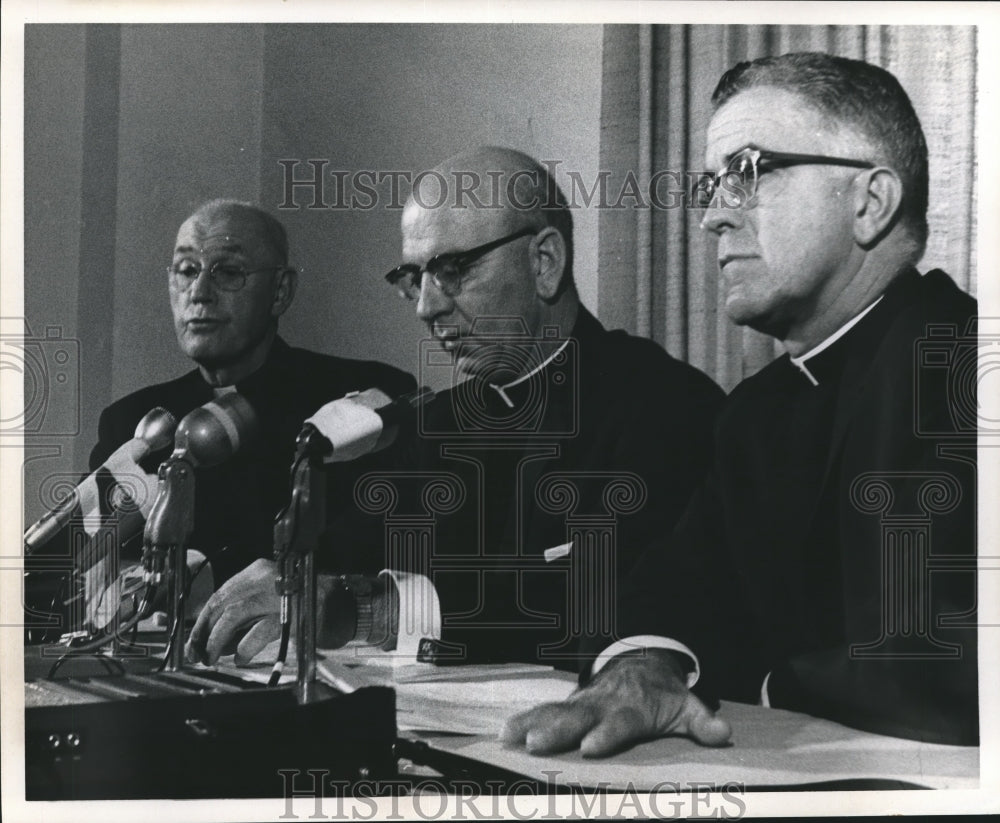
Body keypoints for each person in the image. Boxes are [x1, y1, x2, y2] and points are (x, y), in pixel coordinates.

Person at [501, 53, 978, 752]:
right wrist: (644, 663)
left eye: (748, 173)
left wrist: (762, 680)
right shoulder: (757, 412)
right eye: (712, 184)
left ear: (870, 203)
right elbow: (677, 581)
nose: (712, 218)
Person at [186, 149, 725, 668]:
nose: (426, 307)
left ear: (545, 262)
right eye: (413, 278)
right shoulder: (436, 424)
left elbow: (607, 612)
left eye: (452, 270)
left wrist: (378, 610)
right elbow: (338, 562)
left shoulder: (666, 407)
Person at [85, 200, 415, 588]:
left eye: (227, 272)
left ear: (280, 291)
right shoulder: (133, 422)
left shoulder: (361, 398)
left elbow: (375, 557)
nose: (199, 292)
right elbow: (90, 570)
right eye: (187, 270)